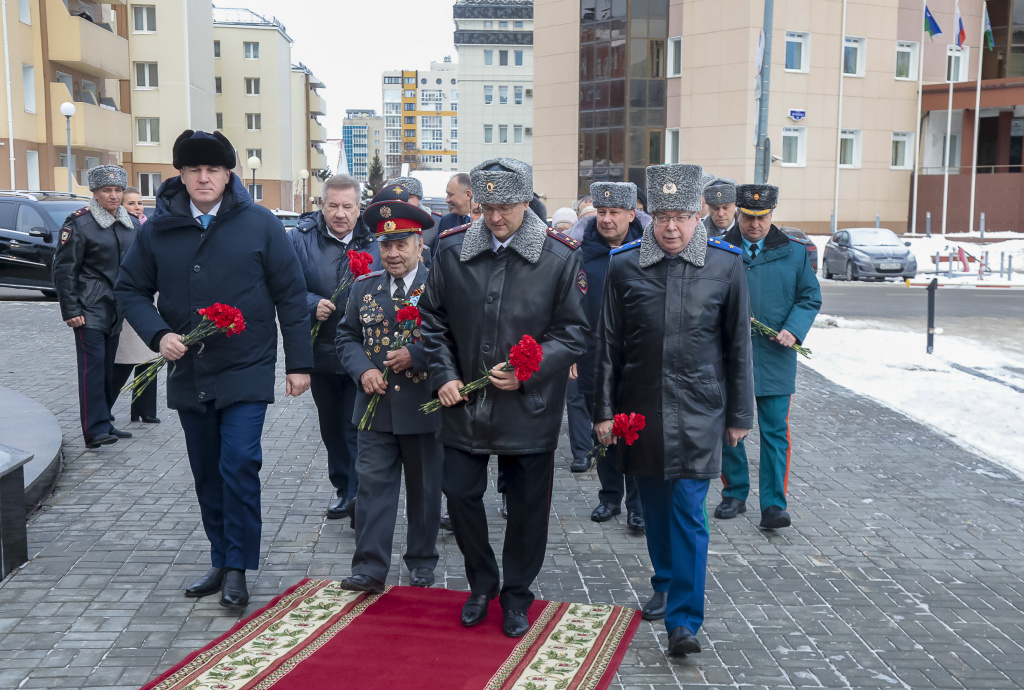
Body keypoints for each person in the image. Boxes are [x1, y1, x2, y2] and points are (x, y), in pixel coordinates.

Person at [115, 130, 313, 610]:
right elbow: (129, 290)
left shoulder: (261, 223)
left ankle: (239, 568)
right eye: (194, 170)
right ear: (180, 175)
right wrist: (159, 334)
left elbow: (290, 293)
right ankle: (221, 558)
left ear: (229, 175)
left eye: (214, 170)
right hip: (190, 370)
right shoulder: (156, 230)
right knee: (207, 471)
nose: (204, 178)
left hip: (246, 366)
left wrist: (299, 363)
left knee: (240, 462)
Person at [420, 157, 588, 638]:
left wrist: (529, 371)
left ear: (526, 202)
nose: (495, 217)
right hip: (463, 404)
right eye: (487, 206)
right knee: (460, 493)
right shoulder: (451, 251)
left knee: (528, 507)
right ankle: (481, 584)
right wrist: (444, 375)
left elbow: (574, 332)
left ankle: (516, 596)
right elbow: (433, 320)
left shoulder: (559, 256)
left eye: (507, 207)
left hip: (527, 407)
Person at [593, 163, 754, 655]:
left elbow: (738, 346)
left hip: (700, 410)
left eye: (682, 216)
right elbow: (607, 344)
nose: (671, 228)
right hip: (639, 410)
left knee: (688, 511)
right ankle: (664, 580)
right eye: (662, 216)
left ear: (699, 214)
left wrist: (739, 415)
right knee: (657, 510)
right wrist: (602, 411)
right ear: (649, 215)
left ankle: (684, 621)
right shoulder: (624, 266)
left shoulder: (725, 266)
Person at [336, 185, 443, 592]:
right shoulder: (366, 287)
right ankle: (369, 567)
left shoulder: (439, 286)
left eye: (401, 244)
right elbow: (345, 337)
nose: (393, 254)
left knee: (424, 490)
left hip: (424, 407)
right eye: (386, 245)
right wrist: (362, 370)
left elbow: (458, 338)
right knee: (372, 489)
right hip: (374, 407)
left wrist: (418, 355)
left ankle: (421, 559)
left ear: (419, 243)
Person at [715, 184, 821, 530]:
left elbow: (809, 297)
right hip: (728, 355)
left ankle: (774, 505)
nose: (755, 225)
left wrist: (794, 328)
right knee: (730, 428)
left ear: (771, 215)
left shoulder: (793, 252)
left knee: (775, 432)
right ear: (737, 214)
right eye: (748, 217)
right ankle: (734, 493)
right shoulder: (718, 249)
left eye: (761, 218)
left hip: (776, 355)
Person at [291, 175, 380, 523]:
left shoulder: (374, 240)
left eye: (348, 206)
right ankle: (343, 487)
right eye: (333, 206)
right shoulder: (298, 241)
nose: (340, 213)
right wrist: (310, 302)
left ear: (360, 208)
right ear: (321, 205)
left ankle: (360, 494)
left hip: (364, 353)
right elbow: (284, 288)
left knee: (356, 425)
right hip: (321, 351)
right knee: (331, 427)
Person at [53, 165, 140, 448]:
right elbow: (64, 269)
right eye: (107, 190)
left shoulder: (130, 223)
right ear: (95, 193)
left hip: (117, 310)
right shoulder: (80, 223)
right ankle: (94, 429)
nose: (114, 196)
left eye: (118, 190)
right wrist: (71, 309)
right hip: (89, 309)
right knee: (92, 369)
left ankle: (106, 421)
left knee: (107, 369)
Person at [577, 182, 645, 534]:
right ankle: (609, 496)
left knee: (632, 429)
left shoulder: (646, 251)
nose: (606, 219)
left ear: (631, 215)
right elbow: (570, 307)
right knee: (601, 429)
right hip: (592, 356)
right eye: (601, 212)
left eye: (614, 213)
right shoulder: (581, 254)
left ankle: (637, 504)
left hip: (635, 359)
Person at [391, 176, 441, 246]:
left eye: (409, 197)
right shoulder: (383, 221)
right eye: (399, 197)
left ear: (419, 198)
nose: (404, 200)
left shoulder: (436, 223)